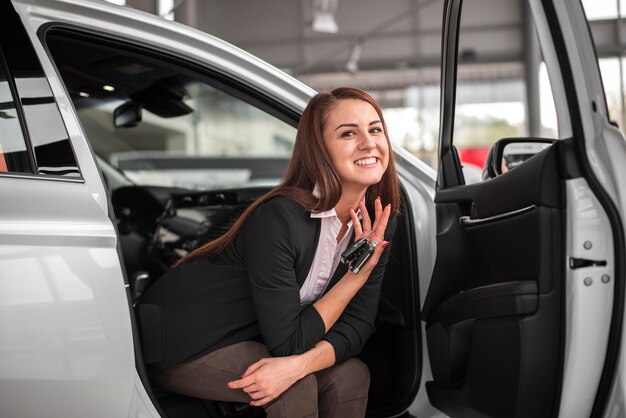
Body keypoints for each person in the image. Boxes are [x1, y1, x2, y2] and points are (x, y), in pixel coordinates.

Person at [137, 87, 400, 418]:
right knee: (294, 386)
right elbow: (288, 345)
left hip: (259, 335)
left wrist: (300, 364)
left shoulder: (379, 222)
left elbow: (359, 325)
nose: (368, 142)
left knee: (351, 373)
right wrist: (356, 273)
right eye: (349, 133)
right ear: (320, 150)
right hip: (186, 341)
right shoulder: (280, 217)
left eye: (375, 129)